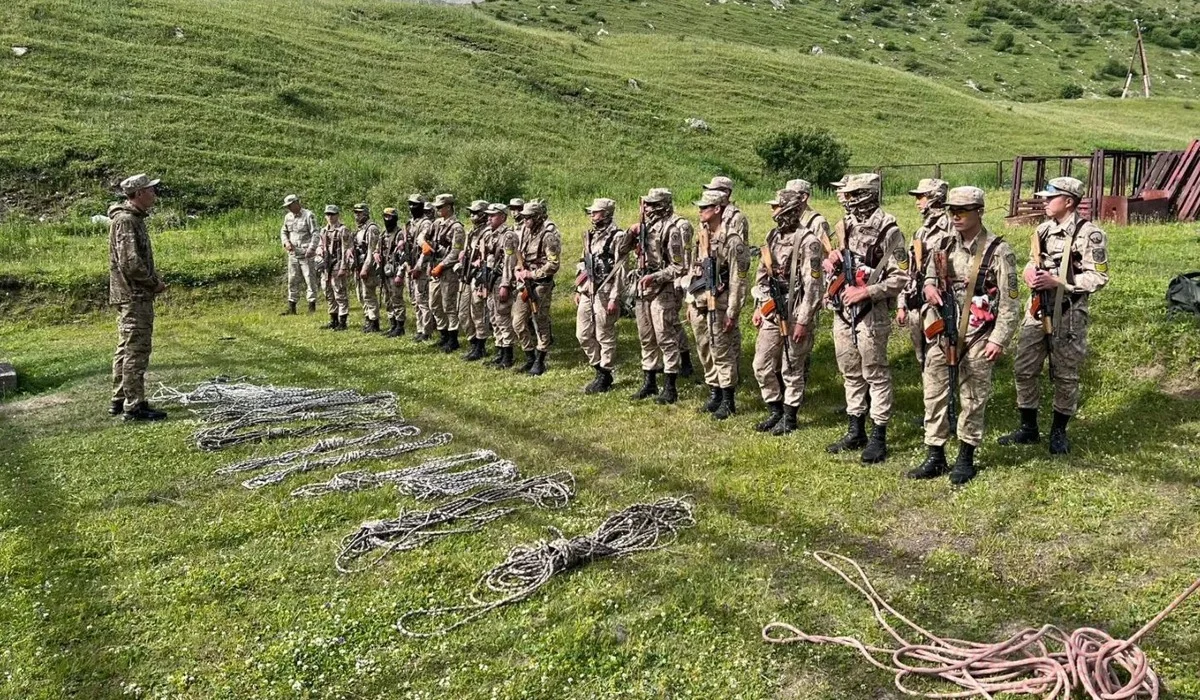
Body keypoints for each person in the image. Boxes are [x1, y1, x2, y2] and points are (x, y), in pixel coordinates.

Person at [907, 187, 1019, 485]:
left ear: (979, 211)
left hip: (979, 333)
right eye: (951, 211)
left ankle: (966, 455)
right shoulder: (942, 243)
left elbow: (1010, 301)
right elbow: (928, 275)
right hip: (942, 331)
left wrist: (999, 339)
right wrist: (929, 287)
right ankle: (935, 454)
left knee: (972, 396)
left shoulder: (998, 250)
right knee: (934, 392)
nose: (955, 216)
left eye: (963, 211)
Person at [999, 176, 1109, 455]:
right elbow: (1034, 260)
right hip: (1037, 310)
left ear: (1068, 201)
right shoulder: (1043, 230)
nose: (1045, 202)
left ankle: (1059, 431)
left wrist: (1062, 284)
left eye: (1051, 197)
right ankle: (1028, 428)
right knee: (1024, 368)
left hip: (1068, 313)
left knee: (1065, 374)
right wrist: (1027, 271)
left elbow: (1098, 276)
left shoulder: (1089, 234)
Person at [824, 173, 909, 463]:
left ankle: (878, 435)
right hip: (843, 310)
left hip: (872, 312)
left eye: (851, 194)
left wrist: (869, 291)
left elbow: (901, 276)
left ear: (866, 194)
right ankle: (855, 428)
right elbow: (846, 260)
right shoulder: (846, 226)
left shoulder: (889, 230)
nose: (846, 200)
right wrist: (834, 261)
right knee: (850, 370)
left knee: (875, 372)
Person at [751, 185, 828, 434]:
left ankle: (790, 416)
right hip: (772, 310)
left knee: (792, 367)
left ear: (791, 211)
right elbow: (762, 276)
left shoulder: (809, 242)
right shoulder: (772, 237)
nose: (774, 213)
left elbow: (814, 286)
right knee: (761, 364)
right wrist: (760, 305)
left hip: (795, 311)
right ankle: (775, 410)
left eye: (778, 208)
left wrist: (803, 321)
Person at [108, 173, 168, 421]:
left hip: (132, 295)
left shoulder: (132, 219)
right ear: (139, 194)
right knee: (136, 350)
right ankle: (135, 406)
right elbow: (131, 263)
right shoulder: (126, 221)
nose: (154, 194)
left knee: (126, 348)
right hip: (135, 296)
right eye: (150, 190)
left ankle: (120, 399)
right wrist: (154, 284)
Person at [687, 191, 750, 419]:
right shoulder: (702, 235)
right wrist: (690, 299)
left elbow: (738, 279)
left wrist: (732, 312)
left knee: (722, 352)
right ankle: (714, 392)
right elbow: (694, 269)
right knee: (704, 348)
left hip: (720, 304)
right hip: (700, 301)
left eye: (705, 207)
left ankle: (728, 399)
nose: (700, 211)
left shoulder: (732, 241)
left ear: (718, 209)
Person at [624, 188, 689, 404]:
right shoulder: (645, 227)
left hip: (663, 290)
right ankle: (649, 380)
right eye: (646, 205)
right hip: (643, 288)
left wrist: (657, 277)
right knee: (646, 336)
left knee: (665, 337)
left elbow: (679, 266)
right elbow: (622, 249)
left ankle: (670, 386)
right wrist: (631, 232)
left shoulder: (672, 229)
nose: (647, 208)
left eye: (652, 204)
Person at [574, 198, 626, 394]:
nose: (592, 215)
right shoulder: (590, 236)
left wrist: (614, 297)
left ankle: (605, 373)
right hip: (589, 289)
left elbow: (621, 269)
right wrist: (578, 288)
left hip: (606, 289)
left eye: (595, 212)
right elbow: (583, 263)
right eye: (591, 212)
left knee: (604, 333)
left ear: (606, 213)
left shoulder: (617, 236)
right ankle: (598, 365)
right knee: (583, 333)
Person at [898, 179, 951, 367]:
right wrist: (902, 304)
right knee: (921, 356)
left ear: (934, 197)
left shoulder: (952, 229)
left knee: (942, 353)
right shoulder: (920, 233)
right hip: (917, 302)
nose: (917, 201)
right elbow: (911, 271)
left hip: (941, 302)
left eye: (921, 196)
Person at [511, 199, 561, 375]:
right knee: (518, 321)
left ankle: (540, 359)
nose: (524, 220)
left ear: (538, 217)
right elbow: (520, 255)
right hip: (524, 283)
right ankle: (529, 356)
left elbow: (553, 264)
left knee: (540, 320)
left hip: (540, 284)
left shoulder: (548, 236)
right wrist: (518, 269)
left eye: (529, 218)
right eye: (524, 217)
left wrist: (532, 274)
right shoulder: (524, 231)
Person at [429, 194, 466, 352]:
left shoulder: (457, 227)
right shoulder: (437, 223)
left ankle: (452, 338)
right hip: (435, 267)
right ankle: (443, 333)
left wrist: (442, 265)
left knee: (448, 305)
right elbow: (424, 236)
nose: (437, 210)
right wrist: (424, 243)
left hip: (448, 270)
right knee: (434, 303)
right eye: (436, 207)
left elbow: (456, 251)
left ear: (449, 207)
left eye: (440, 207)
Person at [487, 203, 519, 369]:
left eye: (493, 215)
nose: (489, 218)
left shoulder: (508, 236)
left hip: (501, 280)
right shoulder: (492, 234)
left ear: (502, 217)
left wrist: (506, 284)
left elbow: (509, 262)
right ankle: (499, 350)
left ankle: (508, 355)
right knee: (494, 316)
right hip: (491, 280)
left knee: (502, 316)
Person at [458, 200, 491, 355]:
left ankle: (480, 345)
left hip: (479, 276)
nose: (472, 216)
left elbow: (493, 254)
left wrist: (481, 261)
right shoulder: (471, 231)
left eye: (476, 213)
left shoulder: (488, 232)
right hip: (467, 274)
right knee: (463, 312)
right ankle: (472, 341)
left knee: (478, 311)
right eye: (471, 213)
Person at [279, 194, 320, 315]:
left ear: (296, 203)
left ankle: (311, 307)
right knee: (292, 279)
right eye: (287, 206)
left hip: (306, 253)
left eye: (290, 205)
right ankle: (292, 307)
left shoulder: (308, 215)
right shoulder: (288, 217)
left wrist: (312, 249)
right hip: (293, 254)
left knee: (309, 279)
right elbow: (284, 231)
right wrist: (286, 242)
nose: (289, 208)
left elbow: (315, 233)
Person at [406, 195, 437, 342]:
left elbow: (426, 248)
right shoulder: (411, 223)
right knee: (415, 299)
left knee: (422, 299)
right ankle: (420, 328)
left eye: (415, 205)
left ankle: (426, 330)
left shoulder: (426, 224)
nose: (412, 207)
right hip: (412, 263)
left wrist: (419, 265)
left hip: (423, 265)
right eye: (410, 204)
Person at [318, 205, 353, 331]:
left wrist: (344, 266)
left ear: (337, 215)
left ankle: (342, 321)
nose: (330, 217)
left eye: (332, 214)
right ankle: (333, 319)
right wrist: (320, 251)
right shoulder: (324, 230)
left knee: (339, 292)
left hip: (338, 263)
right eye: (328, 214)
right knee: (328, 292)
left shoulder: (343, 230)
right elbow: (320, 245)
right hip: (326, 264)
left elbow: (347, 249)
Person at [352, 203, 383, 333]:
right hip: (358, 264)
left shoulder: (372, 228)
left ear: (365, 213)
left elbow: (371, 250)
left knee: (368, 294)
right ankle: (368, 318)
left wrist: (365, 268)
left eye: (359, 213)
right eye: (356, 213)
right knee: (361, 295)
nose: (357, 215)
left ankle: (374, 321)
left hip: (368, 266)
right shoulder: (360, 229)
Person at [381, 206, 409, 337]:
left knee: (397, 298)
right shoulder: (383, 234)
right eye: (385, 217)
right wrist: (376, 253)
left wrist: (400, 274)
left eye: (390, 217)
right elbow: (377, 249)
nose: (387, 219)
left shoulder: (399, 234)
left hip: (396, 270)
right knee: (388, 299)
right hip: (385, 271)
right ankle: (392, 324)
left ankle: (400, 326)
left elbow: (404, 257)